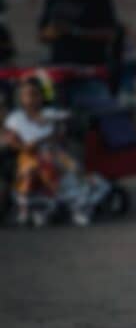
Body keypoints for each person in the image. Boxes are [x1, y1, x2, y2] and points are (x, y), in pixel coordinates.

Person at [2, 75, 108, 226]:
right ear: (20, 98)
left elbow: (64, 126)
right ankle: (37, 206)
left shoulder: (49, 114)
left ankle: (78, 204)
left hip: (52, 153)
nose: (32, 99)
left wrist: (55, 128)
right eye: (27, 95)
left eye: (36, 94)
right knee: (42, 169)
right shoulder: (16, 118)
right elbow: (12, 141)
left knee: (70, 168)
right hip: (30, 156)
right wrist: (27, 146)